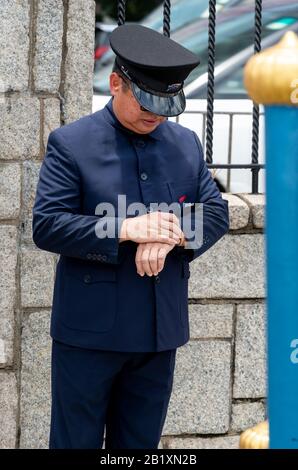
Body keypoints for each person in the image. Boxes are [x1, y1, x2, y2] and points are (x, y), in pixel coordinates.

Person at [32, 24, 229, 449]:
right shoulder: (71, 144)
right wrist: (123, 228)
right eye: (146, 102)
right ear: (115, 82)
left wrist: (172, 233)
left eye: (165, 104)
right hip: (90, 336)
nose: (155, 115)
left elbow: (216, 212)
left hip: (159, 335)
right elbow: (47, 224)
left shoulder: (185, 144)